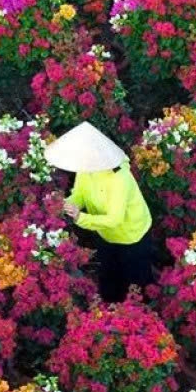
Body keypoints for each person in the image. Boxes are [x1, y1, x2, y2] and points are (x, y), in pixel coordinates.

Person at [45, 121, 155, 303]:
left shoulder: (119, 178)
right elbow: (79, 193)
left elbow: (114, 219)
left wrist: (80, 217)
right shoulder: (86, 169)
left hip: (132, 235)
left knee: (136, 282)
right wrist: (66, 204)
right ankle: (109, 313)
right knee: (108, 277)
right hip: (104, 233)